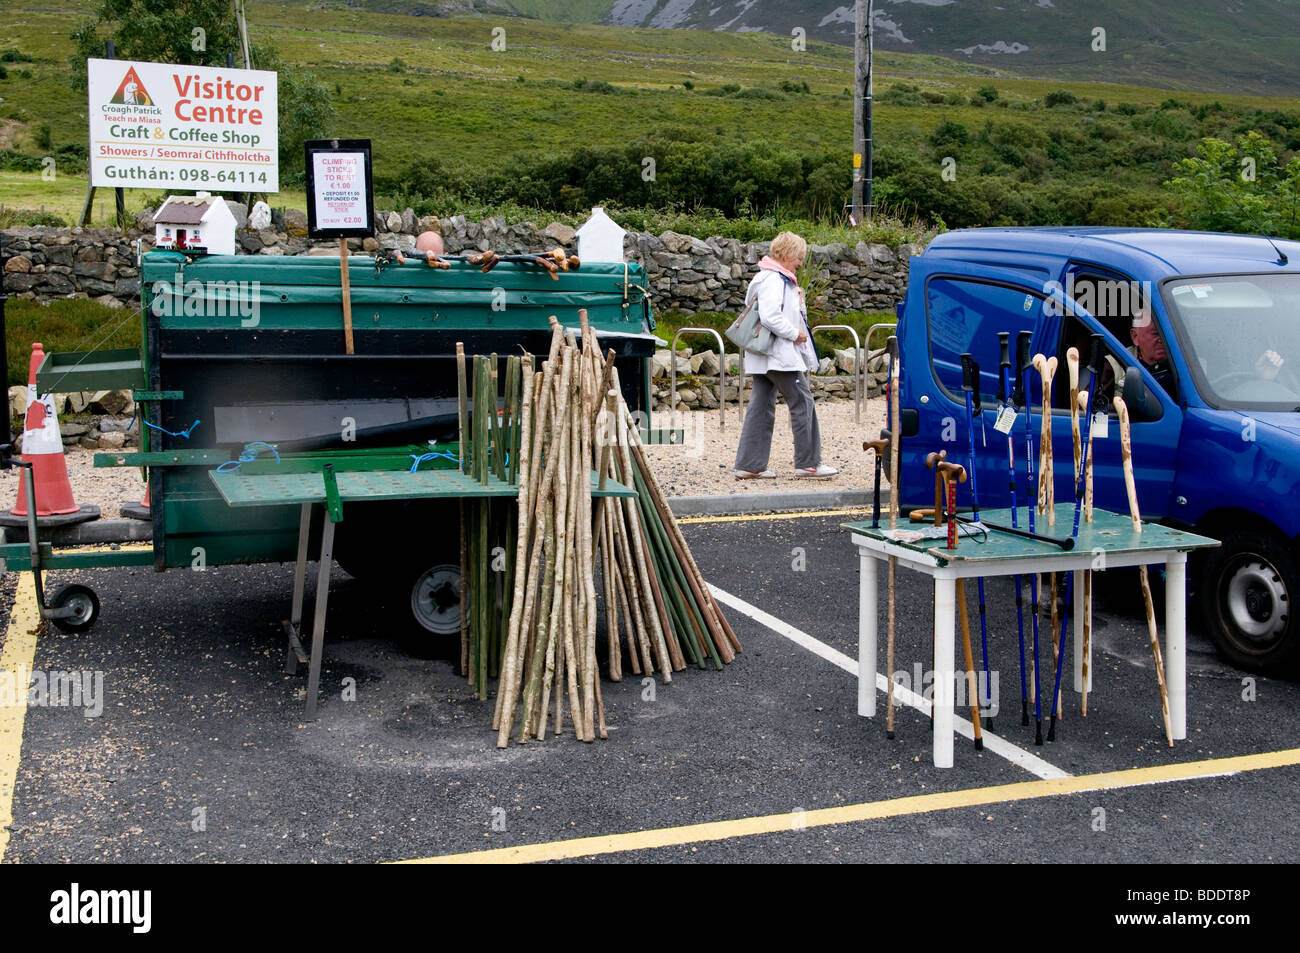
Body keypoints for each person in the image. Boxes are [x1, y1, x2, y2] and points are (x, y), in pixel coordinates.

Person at [733, 232, 838, 479]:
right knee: (803, 401)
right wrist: (795, 334)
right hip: (778, 355)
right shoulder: (775, 279)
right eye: (799, 257)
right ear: (788, 254)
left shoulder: (764, 276)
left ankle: (750, 465)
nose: (800, 263)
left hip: (764, 354)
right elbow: (770, 316)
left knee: (761, 407)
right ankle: (809, 463)